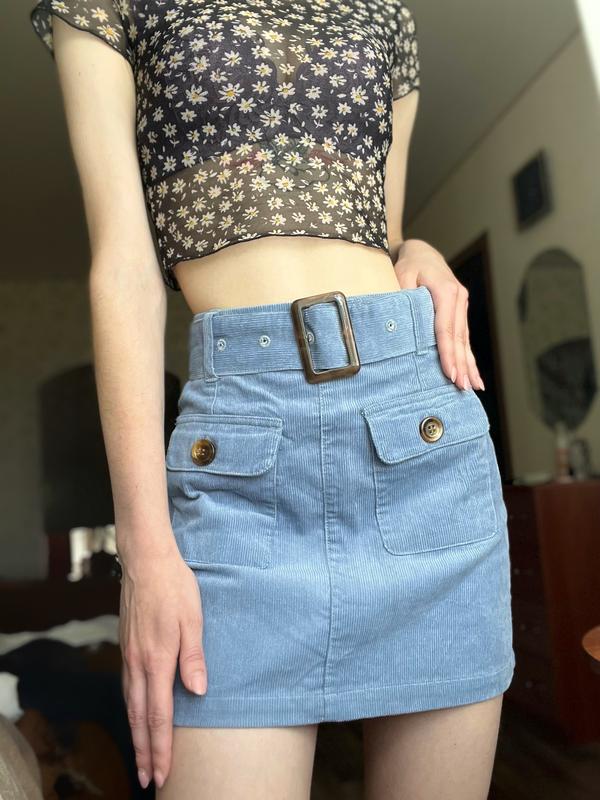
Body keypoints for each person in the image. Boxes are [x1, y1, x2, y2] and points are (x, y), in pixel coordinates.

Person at [29, 1, 515, 798]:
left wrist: (418, 247)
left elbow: (380, 232)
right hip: (237, 467)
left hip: (418, 436)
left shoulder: (384, 15)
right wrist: (144, 555)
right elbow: (123, 268)